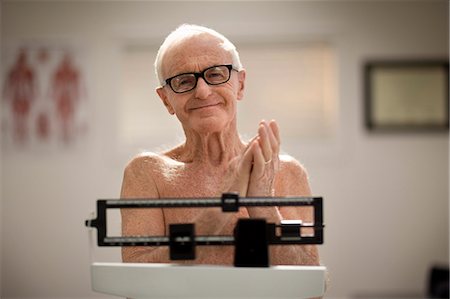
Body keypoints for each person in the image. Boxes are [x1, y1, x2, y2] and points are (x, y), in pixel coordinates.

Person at [120, 24, 320, 266]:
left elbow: (309, 289)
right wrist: (219, 213)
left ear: (241, 85)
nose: (202, 91)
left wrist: (263, 204)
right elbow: (135, 278)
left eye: (215, 74)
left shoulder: (287, 172)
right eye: (184, 81)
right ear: (166, 100)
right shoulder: (147, 173)